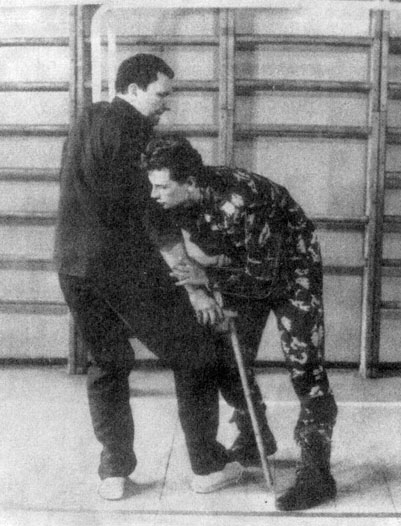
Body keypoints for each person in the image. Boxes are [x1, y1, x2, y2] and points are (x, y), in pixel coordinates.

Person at [54, 54, 274, 500]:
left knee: (107, 364)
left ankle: (113, 473)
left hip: (72, 267)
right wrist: (195, 289)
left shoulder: (86, 119)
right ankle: (208, 467)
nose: (165, 105)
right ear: (134, 89)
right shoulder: (136, 133)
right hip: (122, 268)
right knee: (196, 355)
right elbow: (155, 216)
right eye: (161, 94)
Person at [142, 136, 338, 511]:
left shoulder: (244, 202)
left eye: (162, 186)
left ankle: (318, 476)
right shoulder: (173, 197)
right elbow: (168, 236)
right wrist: (201, 279)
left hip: (292, 269)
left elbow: (263, 277)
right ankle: (254, 436)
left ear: (190, 182)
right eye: (153, 185)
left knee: (306, 368)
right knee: (230, 356)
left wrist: (207, 277)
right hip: (240, 266)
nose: (154, 194)